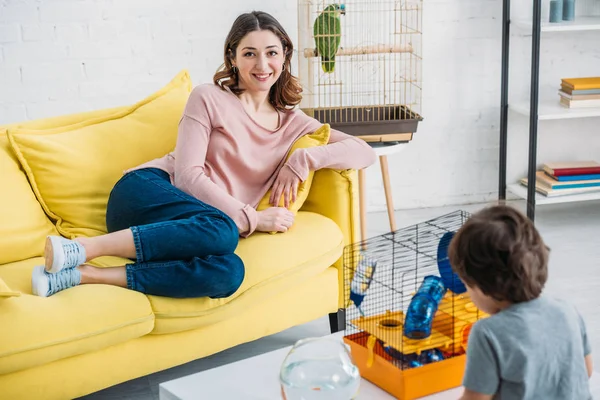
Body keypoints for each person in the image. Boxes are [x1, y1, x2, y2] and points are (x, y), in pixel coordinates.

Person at [31, 11, 377, 298]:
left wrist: (304, 159)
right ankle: (82, 248)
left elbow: (363, 151)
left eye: (272, 52)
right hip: (145, 194)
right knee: (224, 232)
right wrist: (253, 219)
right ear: (233, 57)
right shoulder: (208, 97)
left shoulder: (295, 124)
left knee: (228, 273)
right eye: (249, 53)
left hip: (195, 228)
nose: (262, 64)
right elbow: (188, 176)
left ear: (285, 55)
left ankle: (84, 275)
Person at [448, 205, 593, 400]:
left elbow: (476, 399)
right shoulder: (567, 310)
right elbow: (586, 371)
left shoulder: (488, 332)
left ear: (481, 286)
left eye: (466, 285)